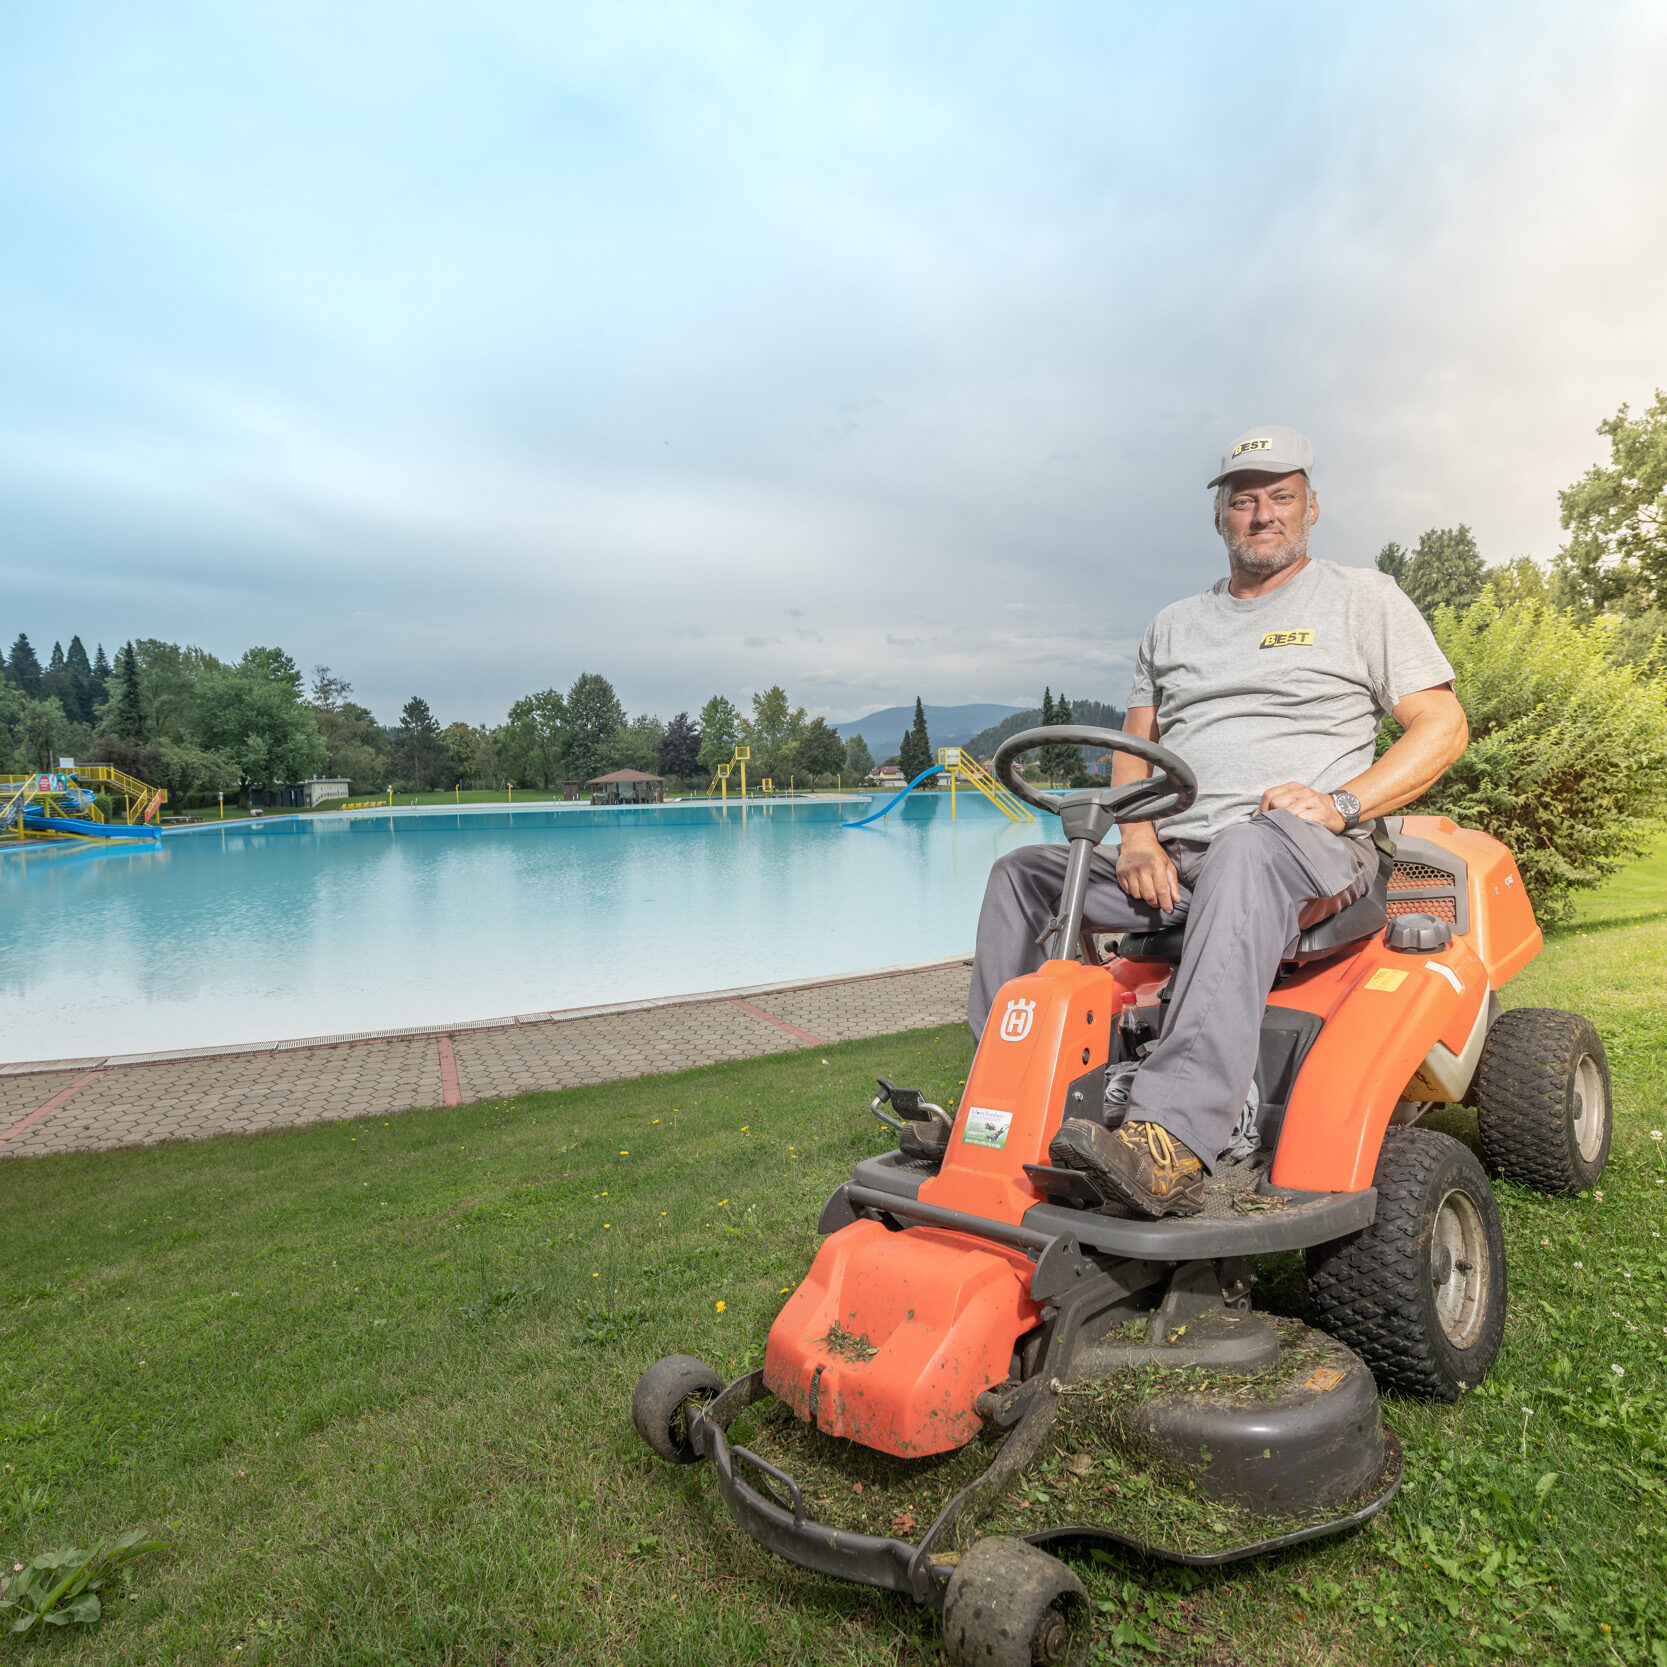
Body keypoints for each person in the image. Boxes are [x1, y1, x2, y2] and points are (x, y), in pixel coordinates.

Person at [967, 426, 1469, 1218]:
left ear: (1310, 508)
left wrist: (1340, 802)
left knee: (1243, 846)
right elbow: (1136, 747)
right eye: (1244, 500)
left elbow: (1441, 726)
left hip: (1306, 850)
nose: (1261, 514)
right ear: (1218, 517)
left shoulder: (1361, 598)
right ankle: (1001, 1103)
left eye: (1279, 497)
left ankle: (1169, 1136)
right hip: (1177, 855)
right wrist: (1134, 834)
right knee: (1023, 878)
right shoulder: (1170, 625)